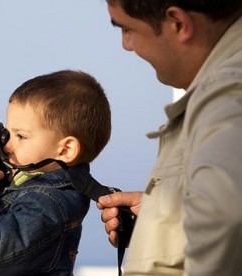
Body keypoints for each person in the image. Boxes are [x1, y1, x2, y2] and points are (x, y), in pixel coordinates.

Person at [96, 0, 242, 275]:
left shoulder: (228, 96)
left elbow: (229, 217)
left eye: (127, 29)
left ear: (178, 23)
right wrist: (161, 219)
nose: (126, 45)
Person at [0, 69, 112, 275]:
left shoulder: (51, 202)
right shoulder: (24, 186)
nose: (7, 145)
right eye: (7, 132)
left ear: (65, 150)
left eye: (20, 136)